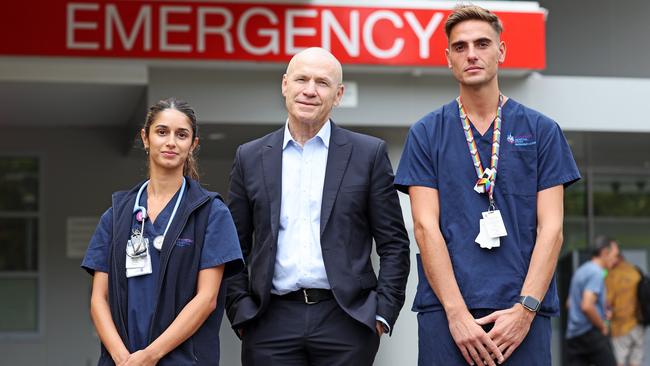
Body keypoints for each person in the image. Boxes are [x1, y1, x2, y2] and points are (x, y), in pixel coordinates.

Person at [394, 5, 581, 366]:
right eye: (460, 47)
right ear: (448, 58)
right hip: (447, 315)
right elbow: (424, 227)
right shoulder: (426, 133)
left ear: (502, 51)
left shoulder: (542, 131)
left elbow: (552, 229)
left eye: (482, 43)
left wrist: (525, 310)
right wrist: (457, 314)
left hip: (523, 310)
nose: (472, 54)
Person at [225, 47, 410, 366]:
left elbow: (394, 243)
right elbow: (232, 245)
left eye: (322, 83)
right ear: (285, 85)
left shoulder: (369, 155)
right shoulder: (250, 157)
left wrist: (382, 313)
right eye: (301, 79)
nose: (310, 90)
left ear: (338, 95)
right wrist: (241, 311)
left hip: (347, 321)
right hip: (270, 321)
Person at [81, 98, 244, 366]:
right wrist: (123, 358)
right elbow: (99, 298)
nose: (171, 142)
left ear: (193, 145)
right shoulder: (117, 213)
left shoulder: (211, 213)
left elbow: (207, 299)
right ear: (145, 138)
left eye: (182, 135)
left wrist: (150, 356)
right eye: (162, 132)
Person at [565, 235, 619, 365]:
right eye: (615, 255)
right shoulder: (596, 273)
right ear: (605, 253)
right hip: (591, 334)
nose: (616, 260)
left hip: (574, 335)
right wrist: (602, 326)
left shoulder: (581, 270)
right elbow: (587, 306)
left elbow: (569, 303)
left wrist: (601, 308)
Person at [606, 249, 645, 366]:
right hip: (638, 323)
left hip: (620, 326)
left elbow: (607, 301)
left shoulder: (612, 275)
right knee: (636, 361)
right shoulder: (636, 272)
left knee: (620, 361)